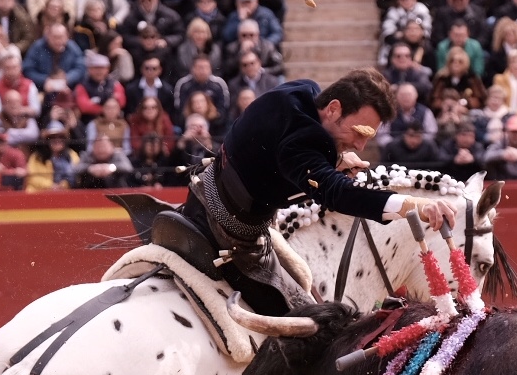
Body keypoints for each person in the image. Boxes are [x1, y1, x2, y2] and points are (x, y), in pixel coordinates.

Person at [180, 69, 458, 315]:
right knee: (305, 333)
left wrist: (334, 162)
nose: (361, 146)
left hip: (204, 195)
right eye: (359, 132)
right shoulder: (306, 142)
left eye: (368, 137)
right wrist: (415, 205)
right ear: (334, 109)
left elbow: (281, 153)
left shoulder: (303, 91)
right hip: (228, 234)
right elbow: (337, 193)